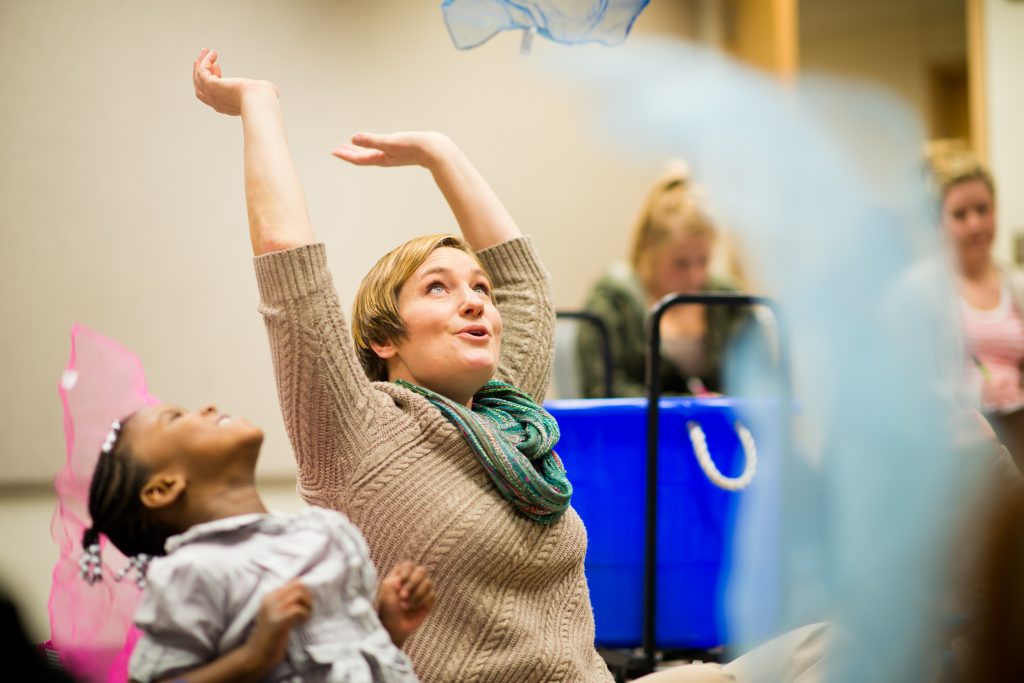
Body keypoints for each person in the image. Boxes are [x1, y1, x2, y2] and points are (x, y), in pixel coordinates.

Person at [192, 48, 829, 683]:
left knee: (833, 644)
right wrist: (258, 105)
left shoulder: (508, 423)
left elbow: (523, 283)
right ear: (384, 338)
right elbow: (290, 271)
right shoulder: (355, 434)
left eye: (479, 290)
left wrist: (440, 153)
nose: (475, 300)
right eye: (438, 288)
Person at [83, 403, 435, 683]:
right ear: (163, 488)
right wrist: (251, 659)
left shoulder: (324, 530)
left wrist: (387, 628)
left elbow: (350, 660)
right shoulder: (188, 572)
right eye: (176, 417)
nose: (206, 407)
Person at [577, 164, 746, 398]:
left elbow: (756, 381)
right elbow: (600, 390)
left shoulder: (729, 301)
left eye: (704, 261)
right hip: (637, 433)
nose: (695, 276)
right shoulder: (613, 301)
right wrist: (687, 407)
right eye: (681, 263)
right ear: (649, 250)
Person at [927, 141, 1024, 413]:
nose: (975, 224)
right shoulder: (923, 293)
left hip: (1016, 439)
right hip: (957, 442)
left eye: (983, 210)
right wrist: (975, 394)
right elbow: (908, 386)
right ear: (938, 222)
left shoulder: (1017, 287)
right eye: (960, 215)